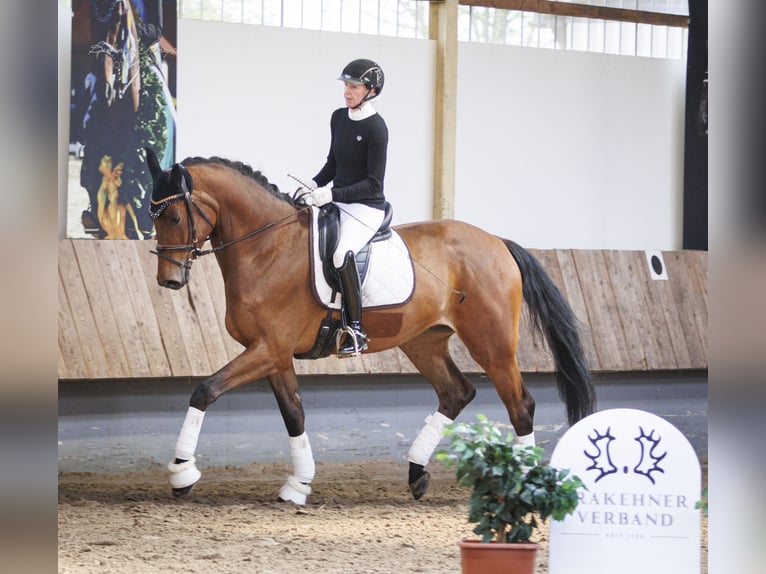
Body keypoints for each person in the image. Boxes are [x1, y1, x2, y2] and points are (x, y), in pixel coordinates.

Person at [306, 58, 389, 357]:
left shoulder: (377, 129)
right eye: (346, 86)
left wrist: (332, 194)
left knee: (341, 254)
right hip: (337, 200)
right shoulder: (338, 118)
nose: (347, 92)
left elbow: (373, 183)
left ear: (371, 90)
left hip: (366, 208)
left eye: (353, 87)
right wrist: (312, 185)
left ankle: (356, 329)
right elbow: (332, 164)